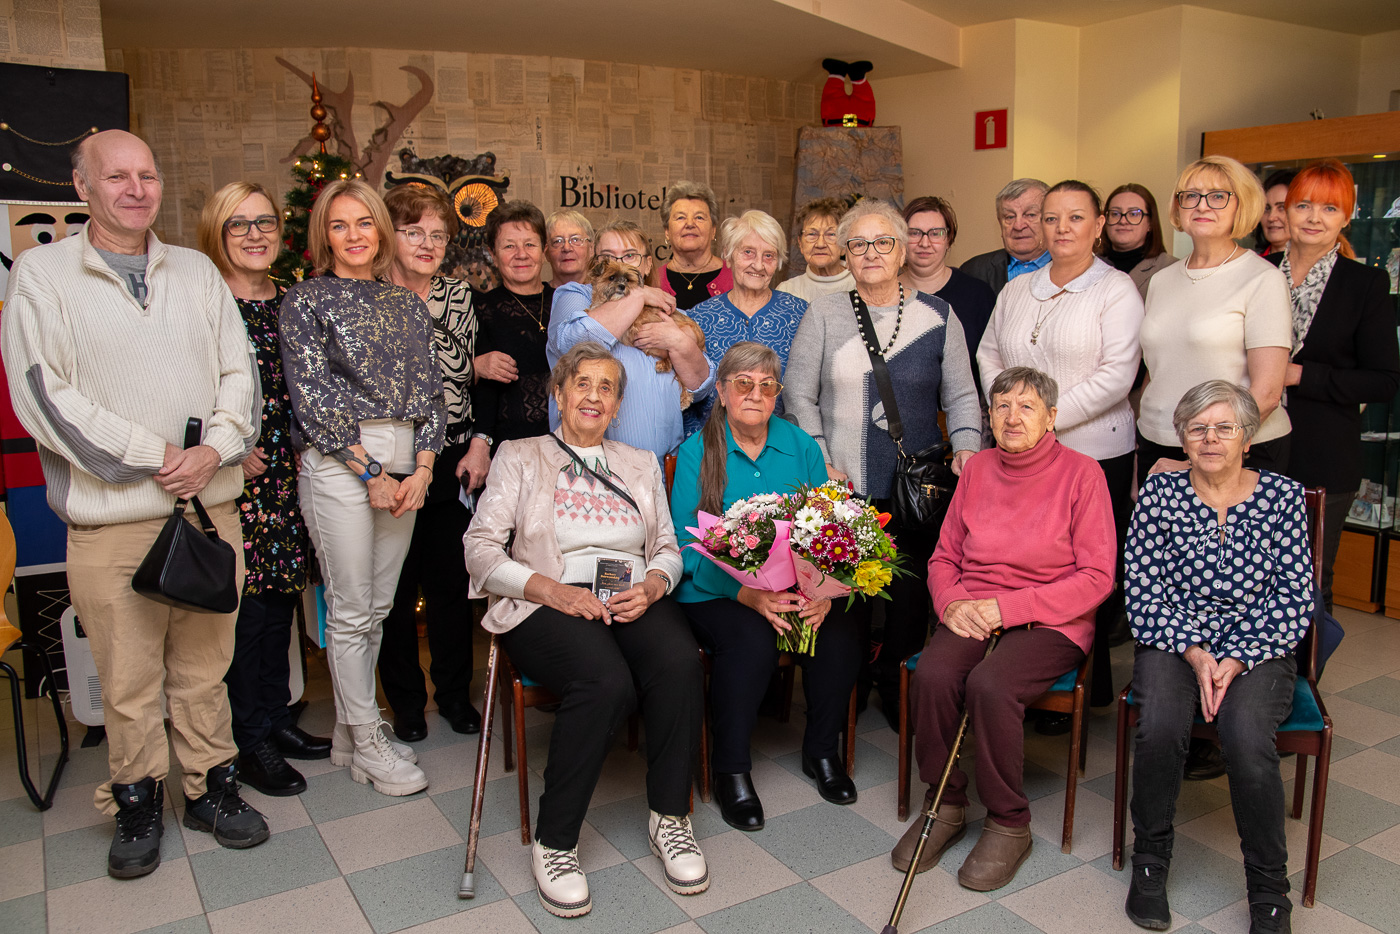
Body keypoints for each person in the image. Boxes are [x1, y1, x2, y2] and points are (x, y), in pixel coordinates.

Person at [1, 130, 266, 878]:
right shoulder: (43, 273)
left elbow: (239, 373)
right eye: (117, 176)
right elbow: (43, 395)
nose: (136, 189)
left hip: (208, 511)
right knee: (127, 678)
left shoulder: (196, 271)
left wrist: (214, 449)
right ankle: (137, 801)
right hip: (111, 522)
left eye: (147, 175)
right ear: (81, 187)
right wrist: (158, 456)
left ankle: (212, 788)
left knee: (205, 667)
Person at [464, 343, 706, 918]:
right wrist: (552, 591)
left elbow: (667, 546)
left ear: (617, 405)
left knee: (679, 662)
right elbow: (479, 548)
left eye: (606, 388)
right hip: (548, 599)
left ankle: (670, 817)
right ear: (559, 394)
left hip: (629, 594)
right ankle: (555, 842)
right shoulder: (520, 455)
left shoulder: (640, 462)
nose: (593, 397)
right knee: (605, 682)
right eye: (582, 384)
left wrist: (653, 585)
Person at [893, 367, 1114, 890]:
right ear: (989, 417)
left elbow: (1097, 577)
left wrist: (1007, 609)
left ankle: (1009, 821)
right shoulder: (977, 469)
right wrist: (951, 603)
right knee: (934, 676)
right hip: (973, 607)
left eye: (1027, 406)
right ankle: (945, 803)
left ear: (1051, 418)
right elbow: (944, 557)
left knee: (991, 685)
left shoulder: (1083, 474)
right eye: (1002, 406)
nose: (1013, 417)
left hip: (1052, 617)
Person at [1122, 380, 1313, 934]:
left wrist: (1238, 657)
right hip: (1174, 638)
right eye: (1198, 428)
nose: (1210, 438)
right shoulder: (1160, 495)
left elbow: (1294, 595)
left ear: (1247, 438)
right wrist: (1194, 652)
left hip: (1260, 646)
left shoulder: (1282, 497)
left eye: (1224, 428)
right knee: (1159, 725)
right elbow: (1142, 588)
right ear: (1181, 437)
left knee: (1248, 736)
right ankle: (1150, 862)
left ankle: (1269, 890)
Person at [786, 198, 981, 728]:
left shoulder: (938, 316)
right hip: (842, 485)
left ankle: (898, 688)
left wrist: (967, 446)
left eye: (882, 242)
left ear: (901, 252)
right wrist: (821, 458)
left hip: (915, 489)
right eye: (858, 244)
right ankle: (842, 695)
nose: (870, 252)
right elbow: (799, 396)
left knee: (908, 601)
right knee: (846, 602)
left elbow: (962, 394)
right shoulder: (824, 314)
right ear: (845, 254)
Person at [279, 178, 445, 797]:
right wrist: (370, 474)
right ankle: (369, 738)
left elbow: (431, 395)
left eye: (365, 222)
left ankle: (350, 736)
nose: (354, 235)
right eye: (339, 224)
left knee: (377, 607)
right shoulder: (305, 300)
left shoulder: (405, 304)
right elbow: (313, 397)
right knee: (350, 609)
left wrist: (422, 470)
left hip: (405, 459)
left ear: (380, 230)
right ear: (324, 234)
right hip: (339, 461)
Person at [672, 342, 859, 829]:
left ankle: (822, 752)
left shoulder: (801, 445)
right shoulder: (696, 453)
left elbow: (827, 527)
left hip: (796, 585)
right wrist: (749, 594)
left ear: (777, 394)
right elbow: (684, 546)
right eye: (743, 384)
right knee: (751, 642)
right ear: (721, 391)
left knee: (839, 634)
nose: (755, 394)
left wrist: (823, 592)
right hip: (716, 591)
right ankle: (731, 769)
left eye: (766, 385)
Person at [978, 180, 1143, 708]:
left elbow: (1117, 374)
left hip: (1095, 451)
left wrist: (1042, 422)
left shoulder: (1115, 289)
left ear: (1098, 225)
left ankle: (1082, 686)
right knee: (1024, 560)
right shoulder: (1017, 289)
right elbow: (989, 354)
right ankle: (1017, 672)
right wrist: (1014, 415)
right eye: (1051, 218)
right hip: (1018, 457)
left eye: (1076, 217)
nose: (1061, 228)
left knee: (1081, 568)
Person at [196, 182, 325, 799]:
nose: (254, 234)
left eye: (264, 222)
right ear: (217, 233)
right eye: (238, 224)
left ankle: (276, 719)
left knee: (280, 606)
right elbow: (187, 386)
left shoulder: (292, 301)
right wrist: (229, 445)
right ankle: (247, 740)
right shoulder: (206, 303)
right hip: (235, 480)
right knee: (244, 614)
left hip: (290, 475)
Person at [1270, 160, 1400, 612]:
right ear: (1285, 210)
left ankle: (1304, 662)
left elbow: (1384, 380)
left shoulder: (1364, 283)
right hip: (1250, 448)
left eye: (1329, 208)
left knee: (1308, 582)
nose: (1314, 217)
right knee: (1248, 576)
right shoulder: (1256, 272)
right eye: (1303, 205)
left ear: (1347, 217)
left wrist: (1301, 374)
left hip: (1322, 453)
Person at [376, 183, 481, 743]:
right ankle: (406, 704)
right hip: (387, 458)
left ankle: (455, 695)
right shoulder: (366, 294)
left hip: (449, 454)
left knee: (449, 585)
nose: (427, 244)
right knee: (394, 588)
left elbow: (461, 375)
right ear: (388, 235)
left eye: (438, 235)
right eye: (413, 232)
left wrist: (477, 440)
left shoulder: (457, 295)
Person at [1138, 155, 1293, 478]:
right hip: (1158, 439)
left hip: (1236, 449)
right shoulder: (1162, 280)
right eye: (1191, 196)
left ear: (1241, 205)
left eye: (1218, 196)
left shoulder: (1263, 279)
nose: (1202, 206)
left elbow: (1267, 393)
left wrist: (1195, 461)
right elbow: (1158, 368)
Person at [548, 219, 716, 461]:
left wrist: (678, 341)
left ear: (647, 264)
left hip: (662, 468)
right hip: (591, 466)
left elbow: (701, 388)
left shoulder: (669, 310)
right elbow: (574, 344)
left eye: (629, 256)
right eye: (608, 256)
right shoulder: (576, 296)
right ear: (596, 265)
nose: (619, 265)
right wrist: (638, 295)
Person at [686, 209, 808, 433]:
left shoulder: (800, 314)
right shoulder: (699, 318)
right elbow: (688, 396)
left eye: (769, 256)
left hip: (781, 444)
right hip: (713, 443)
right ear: (728, 254)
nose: (759, 265)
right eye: (748, 252)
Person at [460, 200, 555, 490]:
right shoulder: (480, 308)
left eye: (530, 244)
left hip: (566, 447)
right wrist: (481, 442)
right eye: (509, 246)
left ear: (544, 250)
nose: (521, 254)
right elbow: (482, 391)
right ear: (492, 253)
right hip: (509, 451)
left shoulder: (567, 303)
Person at [900, 195, 997, 395]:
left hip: (963, 408)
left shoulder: (978, 295)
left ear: (948, 239)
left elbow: (992, 365)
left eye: (936, 233)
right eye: (914, 233)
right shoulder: (884, 295)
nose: (924, 242)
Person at [960, 178, 1050, 296]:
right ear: (1000, 223)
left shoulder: (1070, 269)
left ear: (1050, 220)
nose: (1018, 226)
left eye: (1030, 215)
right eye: (1010, 217)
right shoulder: (973, 271)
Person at [658, 179, 733, 309]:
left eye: (699, 217)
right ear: (667, 231)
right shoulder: (652, 281)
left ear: (713, 230)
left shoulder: (736, 277)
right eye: (680, 217)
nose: (690, 224)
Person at [1098, 183, 1178, 300]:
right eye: (1115, 214)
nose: (1123, 221)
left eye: (1134, 214)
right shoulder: (1088, 265)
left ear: (1150, 223)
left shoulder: (1170, 268)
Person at [777, 196, 855, 301]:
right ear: (800, 244)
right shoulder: (787, 291)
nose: (820, 244)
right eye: (812, 234)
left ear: (844, 244)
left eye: (831, 234)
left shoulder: (862, 286)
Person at [546, 209, 594, 288]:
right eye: (558, 241)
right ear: (546, 252)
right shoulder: (539, 295)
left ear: (591, 249)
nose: (567, 248)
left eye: (575, 239)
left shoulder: (605, 295)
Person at [1254, 168, 1297, 256]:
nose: (1271, 217)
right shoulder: (1251, 262)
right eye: (1267, 208)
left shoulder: (1322, 262)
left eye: (1282, 207)